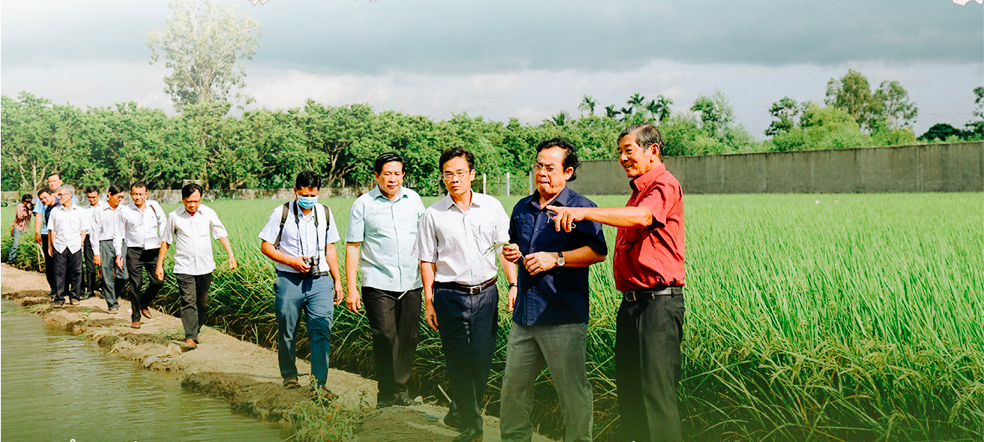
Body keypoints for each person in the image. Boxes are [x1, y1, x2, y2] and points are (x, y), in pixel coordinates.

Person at [546, 124, 686, 442]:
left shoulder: (663, 184)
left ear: (653, 150)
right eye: (619, 152)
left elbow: (642, 217)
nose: (622, 158)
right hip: (634, 305)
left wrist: (584, 214)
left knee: (656, 400)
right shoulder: (639, 190)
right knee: (632, 396)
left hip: (658, 306)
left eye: (629, 150)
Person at [499, 138, 608, 442]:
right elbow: (516, 244)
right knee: (513, 389)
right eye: (538, 166)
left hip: (563, 315)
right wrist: (513, 253)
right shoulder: (523, 207)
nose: (542, 173)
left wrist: (556, 259)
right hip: (525, 316)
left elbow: (598, 252)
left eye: (550, 167)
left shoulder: (582, 208)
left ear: (568, 171)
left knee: (572, 391)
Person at [412, 147, 518, 442]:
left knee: (482, 358)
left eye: (460, 173)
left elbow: (505, 249)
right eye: (448, 174)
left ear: (472, 175)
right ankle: (472, 426)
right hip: (449, 295)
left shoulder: (492, 206)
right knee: (458, 359)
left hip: (486, 293)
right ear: (443, 178)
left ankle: (459, 409)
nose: (454, 179)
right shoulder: (432, 214)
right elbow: (426, 261)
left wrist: (513, 285)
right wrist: (429, 302)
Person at [345, 152, 426, 409]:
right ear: (377, 175)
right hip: (378, 281)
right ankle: (386, 393)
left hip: (412, 282)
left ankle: (402, 391)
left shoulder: (414, 200)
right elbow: (353, 247)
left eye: (397, 173)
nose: (393, 179)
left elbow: (426, 240)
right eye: (387, 173)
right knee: (385, 336)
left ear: (403, 175)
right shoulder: (363, 204)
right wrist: (351, 289)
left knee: (408, 337)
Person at [258, 171, 343, 397]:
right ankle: (289, 375)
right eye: (304, 194)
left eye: (313, 194)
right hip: (289, 279)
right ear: (295, 191)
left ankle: (319, 385)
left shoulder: (325, 213)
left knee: (321, 330)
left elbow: (331, 248)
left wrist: (338, 280)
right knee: (287, 329)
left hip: (320, 280)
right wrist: (291, 261)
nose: (308, 198)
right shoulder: (281, 213)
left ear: (318, 192)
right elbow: (265, 246)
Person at [156, 183, 237, 351]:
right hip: (184, 267)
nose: (192, 205)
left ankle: (196, 329)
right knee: (188, 301)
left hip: (205, 266)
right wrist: (159, 265)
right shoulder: (174, 216)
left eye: (196, 201)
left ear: (200, 199)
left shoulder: (208, 213)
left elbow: (221, 233)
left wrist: (230, 254)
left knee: (202, 303)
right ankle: (190, 337)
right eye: (188, 201)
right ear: (183, 199)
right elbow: (166, 241)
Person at [114, 181, 167, 329]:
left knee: (158, 281)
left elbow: (163, 221)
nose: (137, 197)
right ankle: (135, 317)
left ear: (146, 195)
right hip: (134, 251)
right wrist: (119, 253)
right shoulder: (124, 210)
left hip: (152, 249)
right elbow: (118, 233)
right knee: (136, 284)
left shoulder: (154, 206)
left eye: (140, 194)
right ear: (131, 194)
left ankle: (144, 302)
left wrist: (163, 238)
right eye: (135, 194)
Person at [47, 185, 89, 307]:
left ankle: (74, 296)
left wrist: (80, 243)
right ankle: (59, 298)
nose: (58, 197)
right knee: (59, 272)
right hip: (59, 245)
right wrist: (52, 246)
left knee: (76, 272)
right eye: (58, 194)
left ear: (69, 196)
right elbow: (52, 230)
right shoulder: (55, 211)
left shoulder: (80, 211)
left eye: (61, 195)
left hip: (74, 245)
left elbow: (83, 230)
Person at [90, 185, 128, 314]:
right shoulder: (100, 210)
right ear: (110, 195)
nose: (120, 200)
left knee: (123, 275)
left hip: (121, 243)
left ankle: (113, 295)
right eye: (118, 197)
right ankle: (112, 304)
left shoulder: (124, 210)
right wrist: (96, 252)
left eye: (122, 197)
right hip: (105, 243)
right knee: (106, 275)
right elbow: (95, 232)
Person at [34, 187, 59, 296]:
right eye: (41, 199)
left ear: (52, 195)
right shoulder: (47, 209)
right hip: (48, 235)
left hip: (62, 237)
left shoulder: (61, 205)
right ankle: (54, 287)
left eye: (45, 197)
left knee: (62, 264)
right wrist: (37, 232)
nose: (43, 200)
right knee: (49, 263)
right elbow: (40, 217)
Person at [81, 186, 102, 299]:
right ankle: (90, 290)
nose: (91, 200)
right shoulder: (84, 210)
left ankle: (104, 289)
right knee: (90, 266)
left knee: (103, 265)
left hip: (102, 238)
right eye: (89, 197)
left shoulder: (105, 207)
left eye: (94, 197)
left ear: (98, 195)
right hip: (89, 238)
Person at [7, 194, 33, 263]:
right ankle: (11, 259)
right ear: (23, 201)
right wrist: (27, 210)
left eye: (29, 201)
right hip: (18, 227)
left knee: (25, 245)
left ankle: (22, 260)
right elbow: (20, 216)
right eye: (26, 201)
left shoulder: (31, 206)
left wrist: (32, 208)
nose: (27, 203)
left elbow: (36, 214)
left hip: (26, 228)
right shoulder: (19, 206)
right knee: (15, 244)